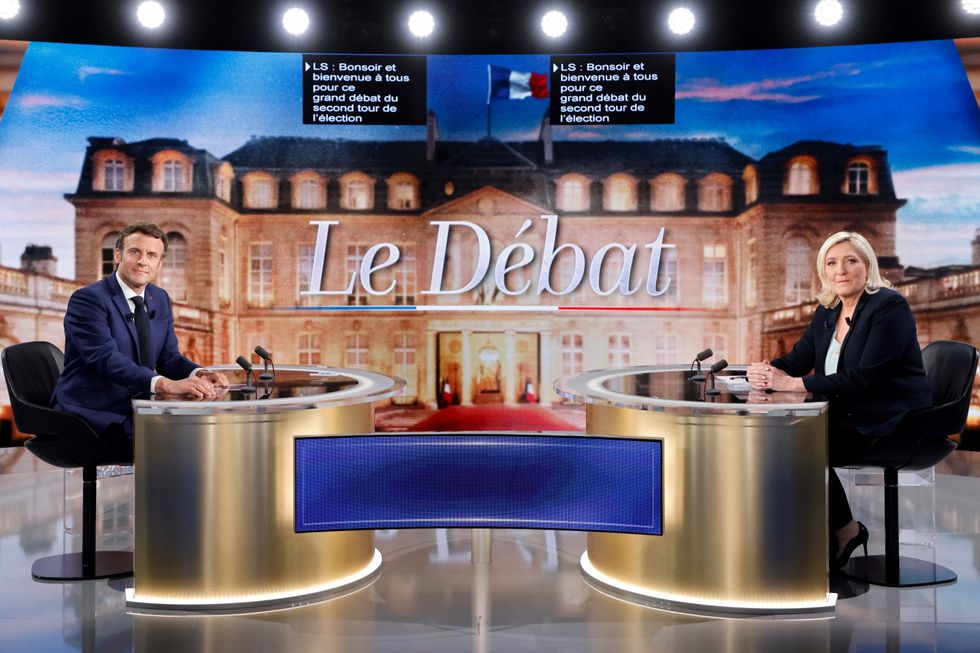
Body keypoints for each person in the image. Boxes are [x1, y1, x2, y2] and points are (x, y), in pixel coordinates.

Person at [746, 231, 932, 568]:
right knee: (782, 440)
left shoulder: (889, 306)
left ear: (867, 266)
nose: (840, 270)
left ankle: (842, 530)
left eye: (850, 261)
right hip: (849, 415)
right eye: (831, 263)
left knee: (798, 443)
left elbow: (864, 378)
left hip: (892, 421)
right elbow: (796, 361)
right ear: (824, 271)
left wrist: (795, 384)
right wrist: (764, 371)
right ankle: (815, 533)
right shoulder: (828, 310)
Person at [53, 222, 228, 459]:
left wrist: (198, 373)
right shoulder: (89, 299)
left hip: (140, 404)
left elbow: (168, 358)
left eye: (151, 255)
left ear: (159, 263)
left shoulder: (160, 298)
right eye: (135, 252)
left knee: (210, 434)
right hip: (94, 408)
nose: (143, 261)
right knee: (180, 446)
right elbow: (105, 359)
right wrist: (164, 384)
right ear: (118, 255)